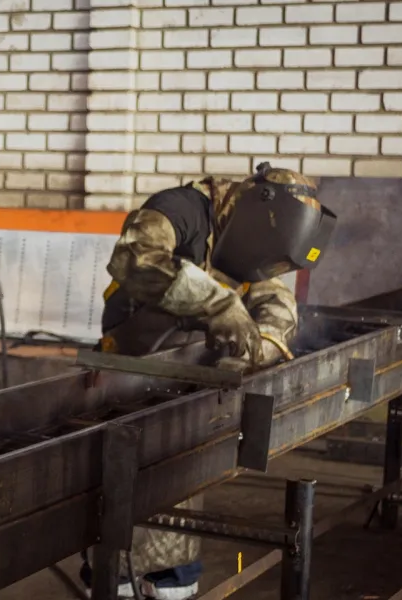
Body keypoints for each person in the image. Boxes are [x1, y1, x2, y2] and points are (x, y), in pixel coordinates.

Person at [86, 163, 336, 599]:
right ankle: (116, 582)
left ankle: (174, 582)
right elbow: (133, 258)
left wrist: (265, 343)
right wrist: (217, 304)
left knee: (181, 478)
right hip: (127, 371)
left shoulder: (252, 243)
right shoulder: (179, 208)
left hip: (187, 377)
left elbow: (275, 299)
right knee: (123, 492)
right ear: (255, 211)